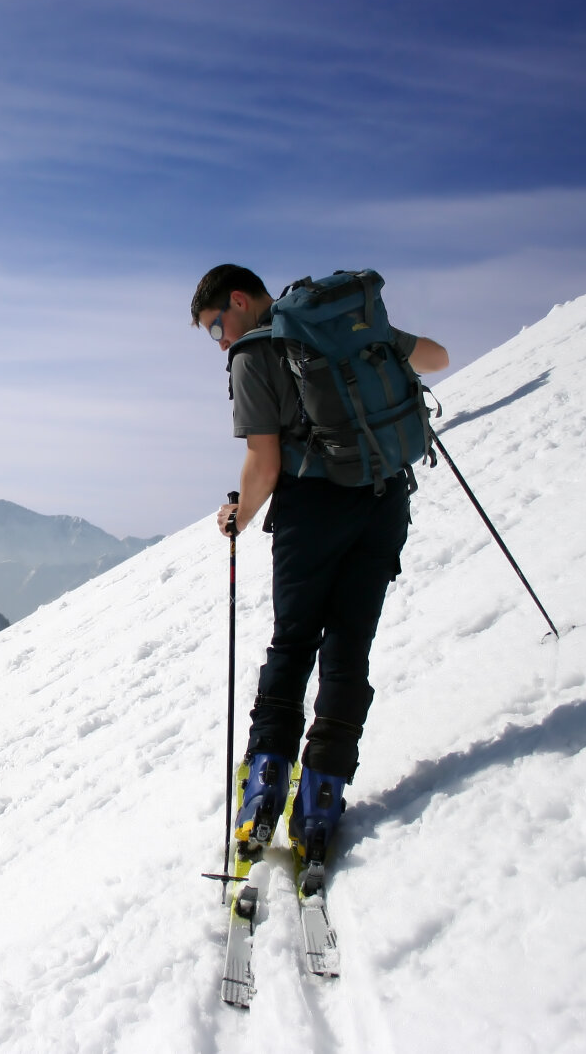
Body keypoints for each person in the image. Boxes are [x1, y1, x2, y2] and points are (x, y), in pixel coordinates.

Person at [190, 264, 449, 863]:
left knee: (293, 643)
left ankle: (264, 789)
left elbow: (265, 461)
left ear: (237, 300)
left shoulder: (255, 353)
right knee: (348, 646)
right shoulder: (342, 328)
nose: (221, 340)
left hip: (313, 512)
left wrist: (240, 515)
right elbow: (435, 357)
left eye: (215, 327)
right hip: (385, 502)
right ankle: (322, 798)